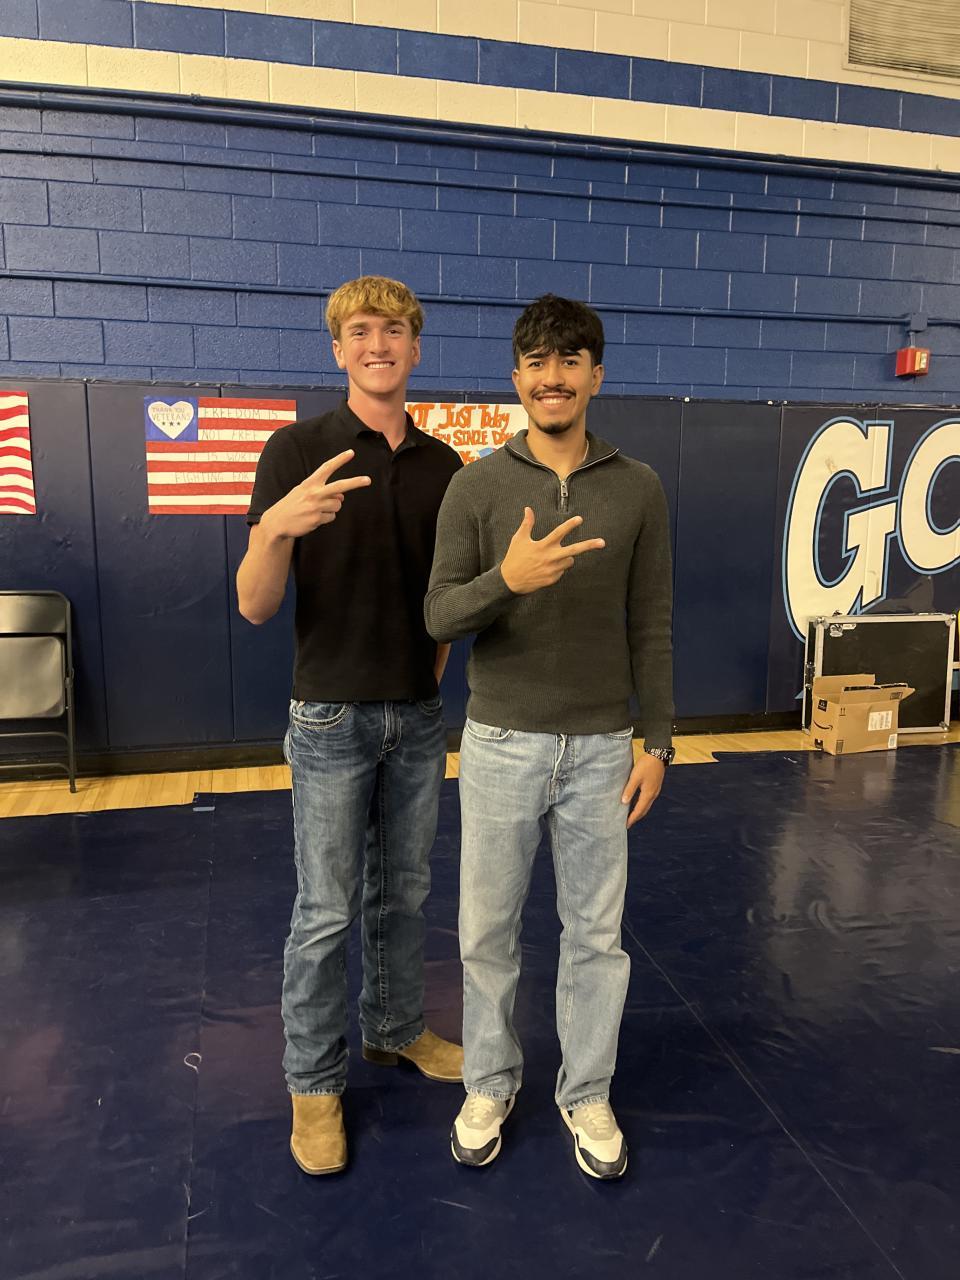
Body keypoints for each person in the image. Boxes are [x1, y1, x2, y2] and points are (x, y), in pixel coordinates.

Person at [424, 294, 674, 1180]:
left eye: (570, 360)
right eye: (537, 361)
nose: (552, 376)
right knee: (486, 933)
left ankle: (587, 1090)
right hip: (500, 743)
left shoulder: (638, 487)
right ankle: (489, 1082)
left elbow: (652, 622)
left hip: (605, 748)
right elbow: (438, 614)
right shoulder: (476, 486)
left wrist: (658, 741)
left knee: (595, 938)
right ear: (516, 377)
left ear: (595, 376)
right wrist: (509, 578)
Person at [237, 276, 464, 1177]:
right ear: (338, 349)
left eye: (394, 330)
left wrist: (424, 687)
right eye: (361, 331)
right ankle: (313, 1083)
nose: (378, 344)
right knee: (326, 910)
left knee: (404, 895)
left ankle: (394, 1029)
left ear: (415, 347)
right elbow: (255, 606)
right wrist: (274, 530)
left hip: (416, 716)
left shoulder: (446, 466)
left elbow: (446, 602)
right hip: (329, 716)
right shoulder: (296, 449)